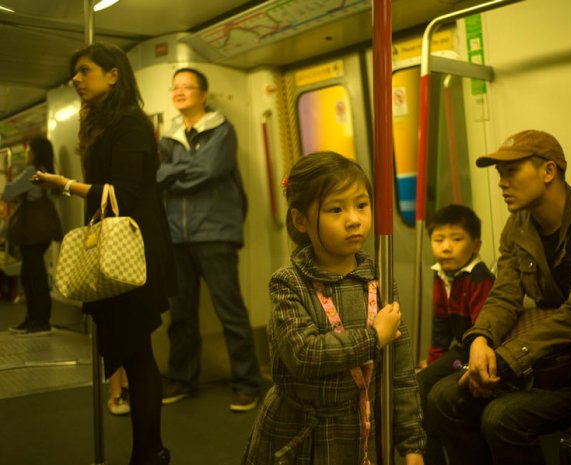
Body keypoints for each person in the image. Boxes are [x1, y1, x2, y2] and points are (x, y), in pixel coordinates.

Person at [424, 130, 571, 465]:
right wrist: (480, 340)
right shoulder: (518, 226)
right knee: (442, 397)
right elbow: (505, 294)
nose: (501, 183)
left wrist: (506, 360)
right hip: (541, 364)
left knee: (501, 418)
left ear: (549, 171)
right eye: (499, 174)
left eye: (512, 171)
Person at [34, 42, 176, 465]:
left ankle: (149, 451)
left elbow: (126, 194)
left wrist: (64, 185)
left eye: (84, 71)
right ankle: (149, 451)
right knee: (134, 353)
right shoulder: (103, 123)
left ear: (113, 75)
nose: (76, 79)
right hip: (119, 252)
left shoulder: (130, 124)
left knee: (136, 352)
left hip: (133, 251)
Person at [241, 151, 426, 465]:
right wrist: (372, 338)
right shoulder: (288, 283)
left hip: (361, 428)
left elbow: (400, 374)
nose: (353, 219)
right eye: (336, 209)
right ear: (301, 220)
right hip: (301, 435)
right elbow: (305, 353)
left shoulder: (379, 278)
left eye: (362, 205)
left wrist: (412, 445)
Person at [156, 67, 261, 412]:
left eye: (188, 86)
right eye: (175, 86)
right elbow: (158, 176)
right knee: (180, 314)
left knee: (229, 311)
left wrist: (174, 174)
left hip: (215, 232)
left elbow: (210, 170)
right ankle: (182, 379)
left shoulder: (222, 130)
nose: (180, 91)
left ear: (203, 94)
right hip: (176, 234)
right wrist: (176, 173)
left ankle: (247, 383)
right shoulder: (168, 136)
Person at [415, 204, 494, 465]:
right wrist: (433, 360)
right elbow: (441, 325)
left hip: (481, 350)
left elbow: (485, 327)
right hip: (461, 349)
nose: (446, 247)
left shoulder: (478, 277)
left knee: (438, 390)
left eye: (456, 239)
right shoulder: (441, 274)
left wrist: (468, 365)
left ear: (476, 245)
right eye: (438, 240)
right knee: (419, 383)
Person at [4, 137, 61, 335]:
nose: (27, 154)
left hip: (32, 231)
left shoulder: (32, 172)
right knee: (33, 274)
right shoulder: (48, 171)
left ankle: (39, 320)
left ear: (35, 152)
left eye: (29, 151)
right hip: (43, 230)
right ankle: (35, 318)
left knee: (31, 275)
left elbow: (9, 192)